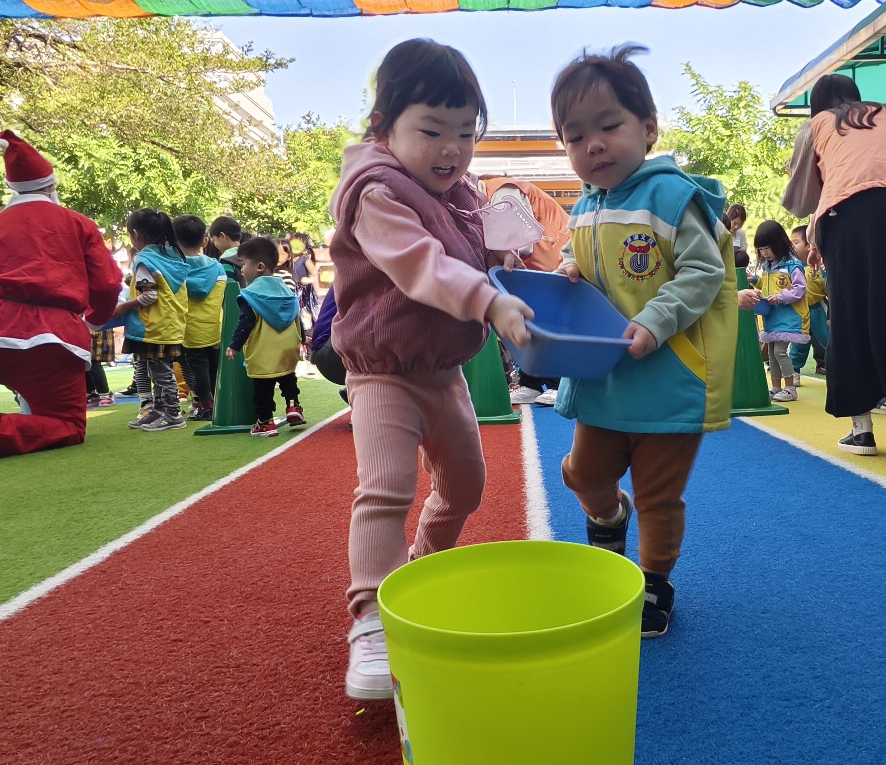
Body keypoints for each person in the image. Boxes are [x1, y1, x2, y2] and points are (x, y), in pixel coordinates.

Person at [327, 39, 533, 701]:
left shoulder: (459, 194)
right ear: (383, 127)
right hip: (383, 369)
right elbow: (420, 264)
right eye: (433, 130)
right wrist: (489, 301)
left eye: (466, 132)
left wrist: (512, 271)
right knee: (385, 489)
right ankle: (372, 619)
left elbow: (475, 257)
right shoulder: (376, 191)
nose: (452, 148)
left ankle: (419, 572)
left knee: (466, 487)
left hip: (444, 372)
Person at [551, 44, 736, 637]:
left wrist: (656, 321)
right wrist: (568, 268)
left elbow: (703, 271)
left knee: (659, 494)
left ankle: (654, 581)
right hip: (603, 380)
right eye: (576, 136)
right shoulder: (584, 207)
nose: (593, 145)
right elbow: (580, 256)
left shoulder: (671, 197)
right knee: (585, 474)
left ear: (649, 128)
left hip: (668, 377)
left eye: (609, 126)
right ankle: (609, 518)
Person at [0, 130, 122, 466]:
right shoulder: (78, 223)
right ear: (50, 186)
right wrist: (95, 320)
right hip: (54, 337)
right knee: (67, 425)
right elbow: (108, 283)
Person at [784, 73, 886, 456]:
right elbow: (883, 168)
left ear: (816, 103)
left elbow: (802, 200)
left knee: (851, 314)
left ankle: (862, 429)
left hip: (853, 212)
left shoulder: (817, 125)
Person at [113, 208, 189, 433]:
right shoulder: (171, 255)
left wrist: (123, 307)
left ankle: (173, 414)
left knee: (161, 372)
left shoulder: (145, 260)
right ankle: (159, 410)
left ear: (135, 234)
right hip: (168, 323)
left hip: (154, 326)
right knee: (157, 369)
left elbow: (149, 295)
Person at [224, 238, 305, 437]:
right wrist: (302, 338)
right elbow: (297, 315)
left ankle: (265, 422)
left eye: (243, 264)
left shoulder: (251, 295)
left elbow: (246, 322)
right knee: (288, 378)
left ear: (259, 267)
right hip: (288, 348)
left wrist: (234, 345)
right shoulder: (286, 289)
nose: (241, 269)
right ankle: (293, 406)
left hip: (264, 350)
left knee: (263, 388)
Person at [749, 220, 808, 400]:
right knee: (772, 355)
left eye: (767, 248)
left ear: (778, 243)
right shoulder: (768, 267)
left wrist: (781, 297)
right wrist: (755, 281)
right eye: (761, 249)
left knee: (779, 352)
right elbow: (768, 287)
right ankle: (776, 387)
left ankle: (790, 388)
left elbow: (800, 289)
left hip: (788, 318)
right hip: (772, 318)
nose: (764, 253)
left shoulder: (792, 265)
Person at [175, 214, 225, 421]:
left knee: (198, 369)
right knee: (213, 367)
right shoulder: (218, 267)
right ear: (205, 240)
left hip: (190, 328)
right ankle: (216, 403)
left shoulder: (176, 270)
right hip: (215, 326)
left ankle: (205, 405)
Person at [788, 224, 829, 376]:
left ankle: (837, 364)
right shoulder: (791, 267)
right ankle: (794, 371)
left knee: (828, 338)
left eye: (796, 242)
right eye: (790, 242)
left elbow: (827, 286)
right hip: (799, 312)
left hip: (817, 310)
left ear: (808, 245)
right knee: (798, 342)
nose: (792, 246)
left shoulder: (818, 267)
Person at [208, 217, 245, 281]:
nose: (214, 244)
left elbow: (229, 284)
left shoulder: (226, 260)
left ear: (222, 236)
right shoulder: (249, 256)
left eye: (214, 240)